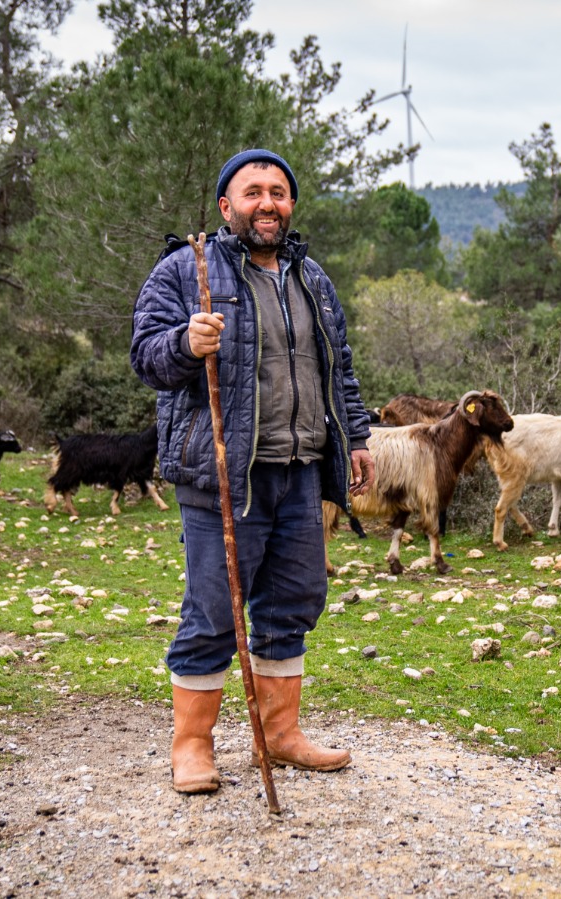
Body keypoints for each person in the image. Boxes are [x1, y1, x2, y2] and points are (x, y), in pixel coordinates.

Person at [130, 148, 375, 793]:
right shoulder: (189, 269)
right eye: (253, 192)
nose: (267, 204)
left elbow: (337, 369)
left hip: (298, 469)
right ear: (225, 206)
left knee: (293, 601)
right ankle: (192, 746)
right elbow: (145, 355)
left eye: (278, 192)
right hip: (221, 471)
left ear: (290, 204)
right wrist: (185, 343)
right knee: (214, 608)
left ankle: (281, 735)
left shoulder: (311, 278)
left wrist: (354, 439)